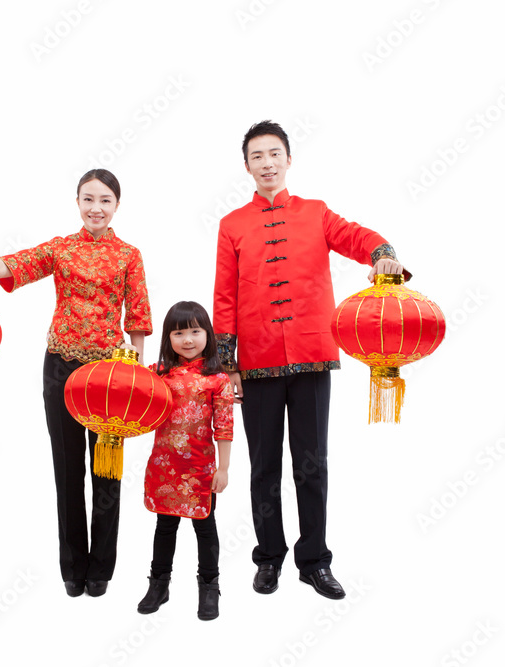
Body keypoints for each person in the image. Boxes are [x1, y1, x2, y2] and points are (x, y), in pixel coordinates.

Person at [212, 121, 409, 600]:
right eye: (257, 156)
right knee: (264, 469)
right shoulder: (231, 224)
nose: (267, 163)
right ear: (246, 166)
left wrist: (382, 254)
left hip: (313, 355)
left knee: (312, 465)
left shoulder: (317, 213)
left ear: (289, 159)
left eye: (274, 154)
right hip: (255, 362)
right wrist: (226, 362)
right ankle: (269, 557)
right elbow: (223, 297)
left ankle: (315, 560)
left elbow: (357, 236)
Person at [0, 169, 152, 598]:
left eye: (105, 200)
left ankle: (101, 571)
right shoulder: (61, 248)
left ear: (117, 206)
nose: (96, 208)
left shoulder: (129, 254)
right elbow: (14, 263)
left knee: (107, 472)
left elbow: (140, 319)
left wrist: (137, 374)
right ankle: (73, 569)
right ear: (77, 202)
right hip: (60, 367)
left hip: (109, 375)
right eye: (88, 199)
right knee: (68, 468)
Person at [136, 301, 233, 621]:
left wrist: (224, 468)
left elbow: (225, 426)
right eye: (179, 333)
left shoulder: (218, 379)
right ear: (168, 337)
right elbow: (131, 389)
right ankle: (158, 585)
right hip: (164, 465)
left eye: (195, 331)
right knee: (164, 527)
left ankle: (209, 588)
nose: (188, 339)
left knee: (206, 529)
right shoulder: (157, 373)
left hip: (200, 468)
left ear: (208, 334)